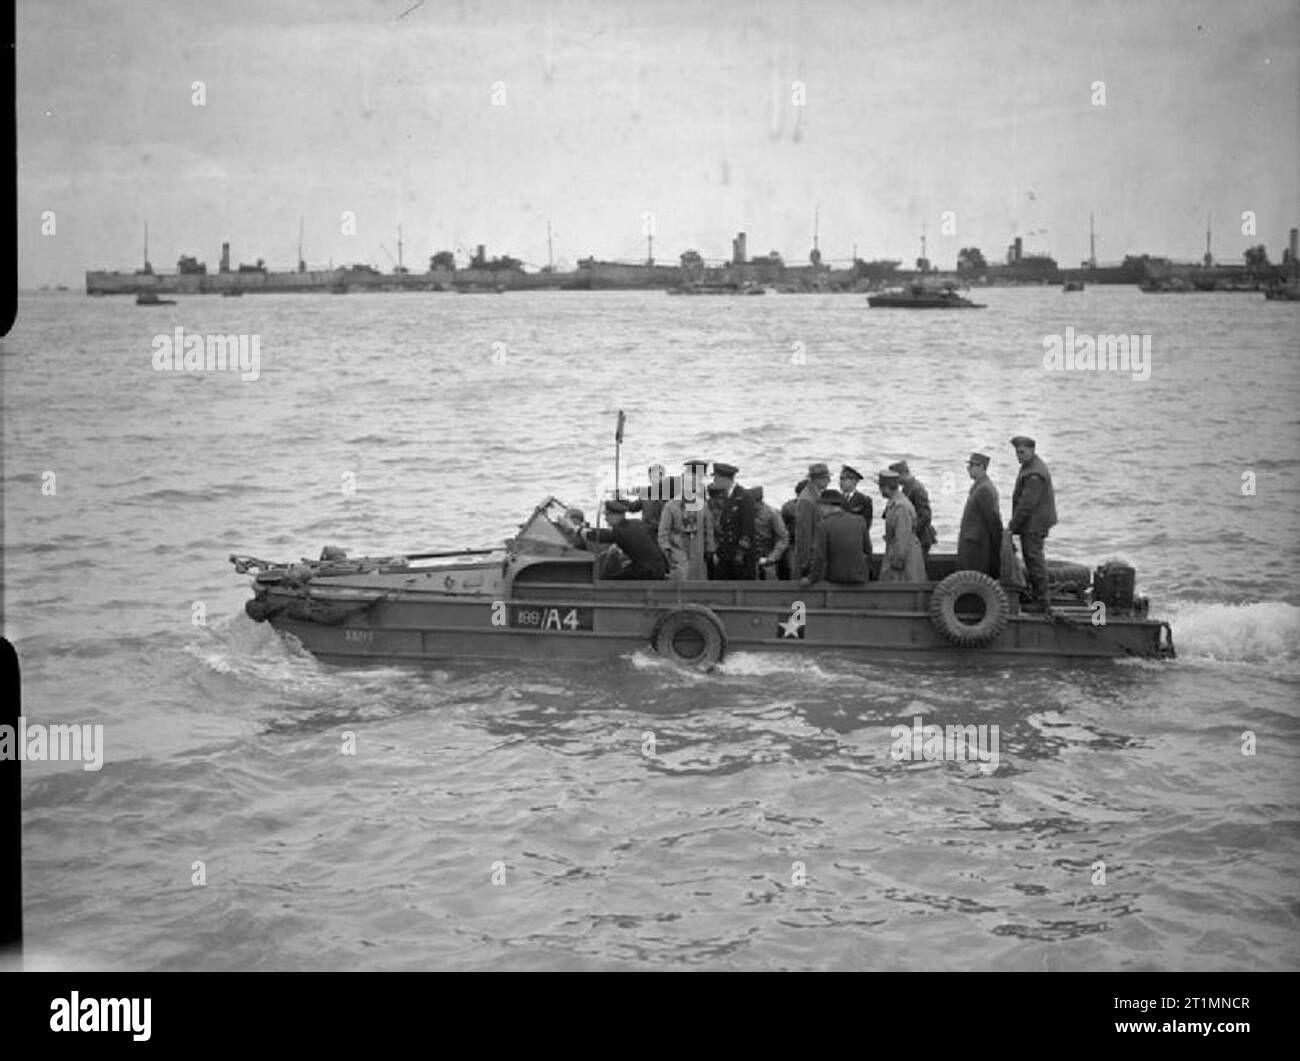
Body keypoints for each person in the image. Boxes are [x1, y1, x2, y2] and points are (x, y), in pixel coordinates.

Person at [1008, 435, 1057, 610]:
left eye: (1022, 452)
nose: (1018, 456)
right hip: (1032, 522)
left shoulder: (1034, 473)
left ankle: (1042, 601)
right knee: (1032, 558)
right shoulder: (1029, 467)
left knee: (1034, 559)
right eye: (1017, 452)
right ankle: (1037, 595)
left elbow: (1026, 505)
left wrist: (1012, 527)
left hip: (1035, 523)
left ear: (1032, 451)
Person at [658, 459, 716, 581]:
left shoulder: (703, 506)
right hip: (677, 548)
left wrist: (710, 548)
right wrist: (666, 549)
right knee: (681, 573)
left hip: (697, 548)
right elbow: (663, 531)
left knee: (698, 575)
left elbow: (708, 529)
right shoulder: (671, 506)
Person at [801, 489, 872, 586]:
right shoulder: (860, 521)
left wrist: (811, 578)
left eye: (820, 506)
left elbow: (819, 557)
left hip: (836, 579)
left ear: (827, 506)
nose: (820, 510)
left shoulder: (824, 525)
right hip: (860, 578)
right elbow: (868, 551)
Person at [584, 499, 668, 579]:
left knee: (609, 580)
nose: (605, 519)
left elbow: (602, 536)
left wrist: (581, 531)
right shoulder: (637, 523)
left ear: (616, 515)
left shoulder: (620, 531)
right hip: (660, 568)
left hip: (647, 572)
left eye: (607, 515)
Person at [955, 452, 1002, 577]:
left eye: (972, 465)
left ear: (982, 467)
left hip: (977, 548)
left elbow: (993, 521)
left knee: (973, 580)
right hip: (974, 544)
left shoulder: (984, 489)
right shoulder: (981, 487)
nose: (968, 468)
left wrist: (998, 546)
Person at [878, 469, 927, 581]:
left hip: (905, 558)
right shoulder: (896, 503)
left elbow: (902, 537)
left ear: (886, 487)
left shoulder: (901, 507)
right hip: (900, 552)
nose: (880, 491)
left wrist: (897, 561)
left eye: (881, 487)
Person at [711, 462, 757, 579]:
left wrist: (740, 553)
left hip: (740, 557)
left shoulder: (744, 498)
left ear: (725, 478)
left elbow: (747, 530)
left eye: (716, 477)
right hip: (727, 555)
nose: (714, 481)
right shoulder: (728, 497)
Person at [889, 461, 937, 556]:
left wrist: (909, 531)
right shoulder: (908, 487)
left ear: (901, 474)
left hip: (920, 539)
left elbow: (925, 516)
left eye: (894, 478)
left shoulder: (917, 489)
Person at [792, 462, 832, 577]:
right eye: (826, 478)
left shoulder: (813, 495)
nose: (829, 481)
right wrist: (804, 564)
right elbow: (803, 535)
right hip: (809, 560)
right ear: (817, 479)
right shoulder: (806, 500)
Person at [751, 486, 789, 580]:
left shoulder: (772, 514)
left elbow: (783, 538)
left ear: (758, 501)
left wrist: (773, 556)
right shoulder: (746, 513)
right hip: (751, 557)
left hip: (768, 555)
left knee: (770, 581)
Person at [625, 464, 669, 536]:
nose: (656, 479)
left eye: (658, 477)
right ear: (649, 478)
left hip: (663, 532)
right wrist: (620, 500)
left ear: (663, 477)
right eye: (653, 477)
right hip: (647, 531)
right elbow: (633, 507)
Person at [778, 479, 806, 580]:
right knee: (794, 571)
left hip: (806, 544)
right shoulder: (789, 507)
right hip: (794, 544)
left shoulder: (788, 506)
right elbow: (782, 528)